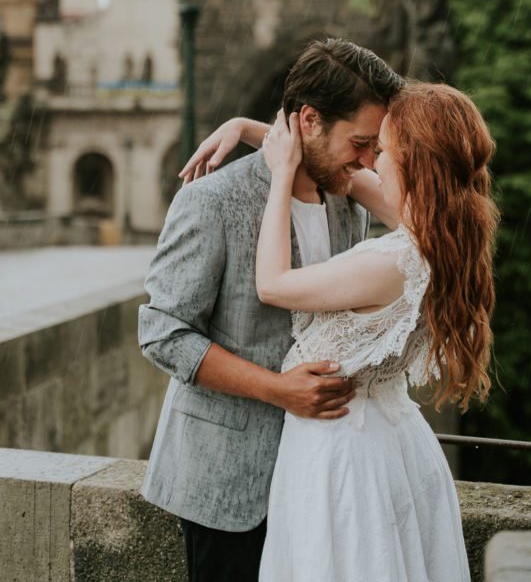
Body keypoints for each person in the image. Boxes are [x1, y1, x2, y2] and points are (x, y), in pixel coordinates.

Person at [193, 80, 498, 582]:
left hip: (345, 456)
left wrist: (280, 174)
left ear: (412, 163)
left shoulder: (392, 260)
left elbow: (273, 284)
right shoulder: (441, 234)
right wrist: (254, 130)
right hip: (387, 441)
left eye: (385, 150)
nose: (372, 162)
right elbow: (347, 177)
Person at [138, 38, 404, 582]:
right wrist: (276, 389)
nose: (367, 160)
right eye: (359, 142)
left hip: (320, 477)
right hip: (227, 487)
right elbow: (162, 333)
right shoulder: (212, 201)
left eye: (375, 148)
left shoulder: (346, 200)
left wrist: (245, 124)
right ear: (308, 120)